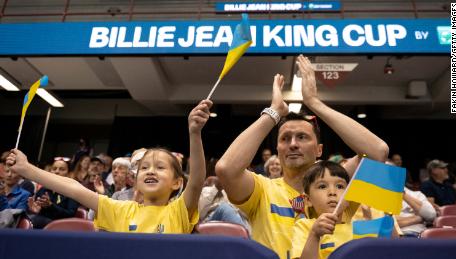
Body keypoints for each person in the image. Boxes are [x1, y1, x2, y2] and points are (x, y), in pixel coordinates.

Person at [215, 55, 389, 259]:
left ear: (319, 150)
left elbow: (378, 152)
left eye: (302, 137)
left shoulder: (339, 183)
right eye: (285, 138)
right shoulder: (262, 190)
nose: (293, 144)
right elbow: (226, 169)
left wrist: (314, 103)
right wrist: (273, 113)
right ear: (278, 150)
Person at [6, 100, 212, 233]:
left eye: (160, 167)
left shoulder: (179, 211)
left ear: (177, 182)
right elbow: (74, 188)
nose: (150, 170)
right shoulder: (120, 210)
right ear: (137, 179)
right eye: (145, 167)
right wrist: (27, 170)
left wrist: (194, 133)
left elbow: (196, 180)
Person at [291, 161, 360, 259]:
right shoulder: (305, 226)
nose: (332, 192)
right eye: (322, 186)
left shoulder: (358, 229)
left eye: (340, 186)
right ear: (308, 200)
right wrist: (314, 235)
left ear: (348, 198)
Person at [29, 158, 80, 229]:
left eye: (61, 169)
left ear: (69, 174)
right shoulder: (44, 189)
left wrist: (51, 206)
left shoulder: (73, 191)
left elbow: (70, 214)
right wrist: (36, 210)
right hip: (41, 224)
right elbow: (37, 209)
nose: (57, 171)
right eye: (54, 168)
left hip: (62, 227)